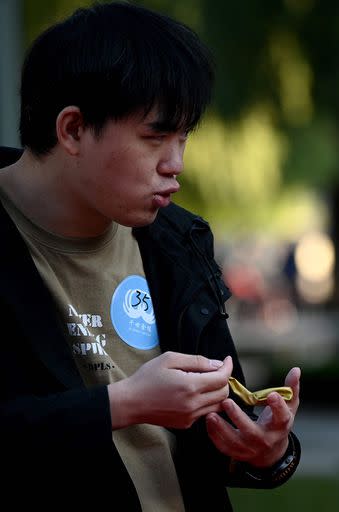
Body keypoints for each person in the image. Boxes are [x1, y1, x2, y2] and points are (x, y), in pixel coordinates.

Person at [0, 2, 301, 510]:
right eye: (155, 137)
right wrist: (122, 405)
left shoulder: (177, 243)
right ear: (72, 130)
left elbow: (214, 442)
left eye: (183, 138)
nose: (176, 165)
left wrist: (267, 451)